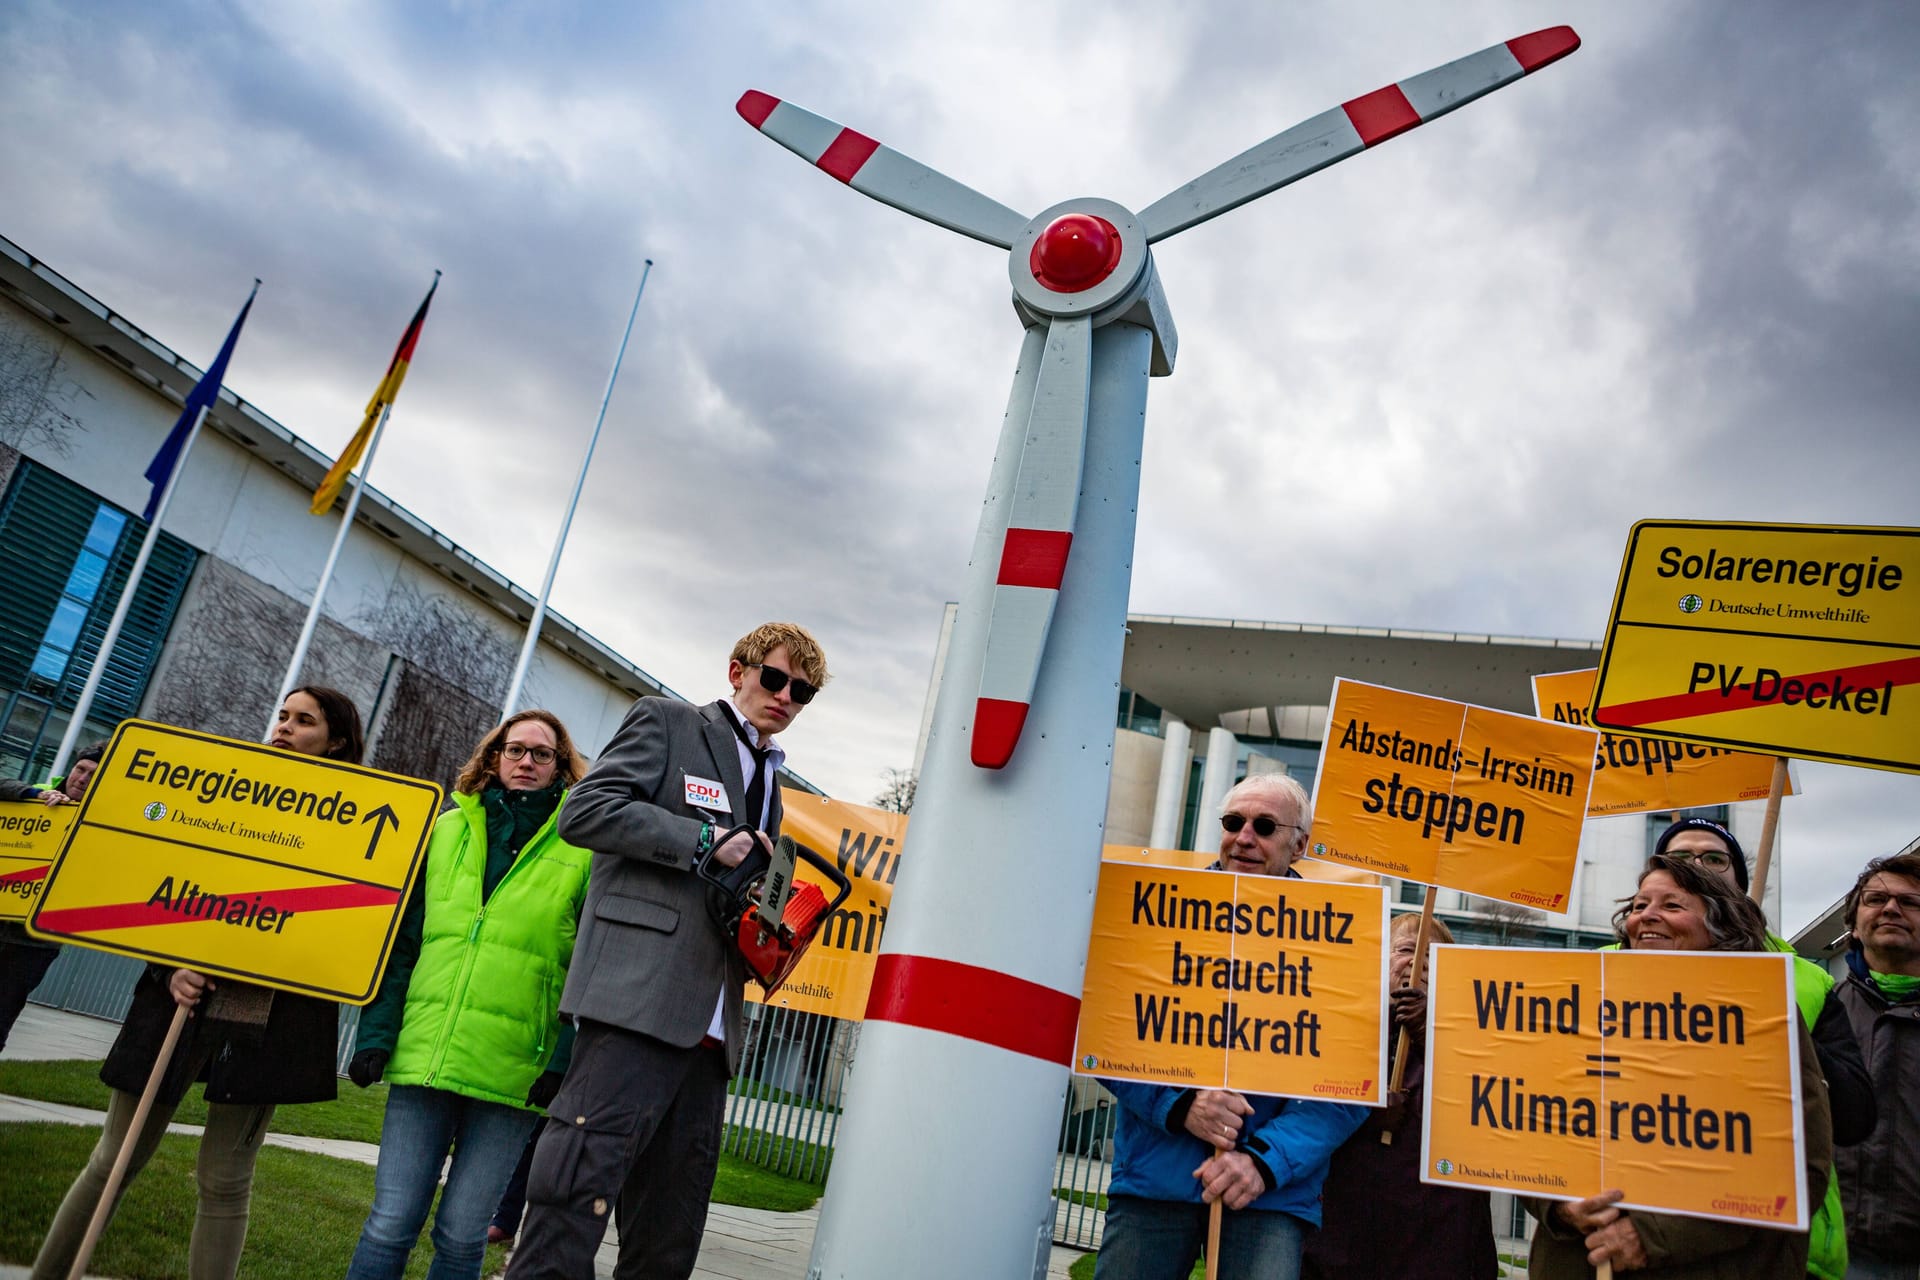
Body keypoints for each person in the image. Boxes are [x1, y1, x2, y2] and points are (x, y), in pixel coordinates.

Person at [505, 622, 830, 1280]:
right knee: (572, 1200)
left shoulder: (772, 780)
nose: (785, 696)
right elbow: (584, 811)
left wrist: (765, 930)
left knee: (667, 1239)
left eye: (803, 691)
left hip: (711, 1036)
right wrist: (705, 839)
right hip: (635, 1006)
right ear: (736, 670)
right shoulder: (669, 723)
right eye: (774, 677)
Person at [32, 688, 365, 1280]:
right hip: (173, 1001)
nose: (284, 727)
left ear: (336, 741)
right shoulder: (220, 793)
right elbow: (161, 883)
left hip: (273, 1017)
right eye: (281, 715)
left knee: (226, 1179)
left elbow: (343, 927)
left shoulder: (362, 827)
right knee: (114, 1159)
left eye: (304, 721)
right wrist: (172, 962)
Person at [344, 710, 593, 1280]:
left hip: (514, 1076)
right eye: (515, 749)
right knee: (389, 1222)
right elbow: (401, 945)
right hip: (424, 1059)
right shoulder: (445, 829)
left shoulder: (584, 850)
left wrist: (559, 1063)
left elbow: (587, 968)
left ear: (561, 767)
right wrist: (376, 1036)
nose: (526, 761)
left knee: (461, 1236)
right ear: (493, 757)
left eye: (542, 753)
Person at [1095, 774, 1369, 1280]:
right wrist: (1179, 1103)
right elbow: (1106, 1035)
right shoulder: (1157, 912)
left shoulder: (1341, 937)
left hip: (1267, 1193)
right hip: (1157, 1179)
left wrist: (1264, 1162)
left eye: (1264, 826)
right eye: (1232, 822)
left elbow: (1349, 1089)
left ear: (1300, 845)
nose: (1244, 836)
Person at [1526, 855, 1834, 1280]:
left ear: (1720, 925)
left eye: (1672, 906)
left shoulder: (1763, 1014)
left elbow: (1802, 1171)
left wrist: (1652, 1237)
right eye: (1638, 906)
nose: (1648, 916)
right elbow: (1523, 1131)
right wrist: (1559, 1208)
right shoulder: (1576, 1008)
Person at [1650, 816, 1875, 1280]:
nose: (1699, 866)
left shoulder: (1802, 979)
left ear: (1739, 877)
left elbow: (1852, 1118)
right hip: (1639, 1228)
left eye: (1714, 858)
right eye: (1680, 859)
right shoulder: (1601, 970)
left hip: (1773, 1244)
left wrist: (1765, 1018)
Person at [1305, 913, 1495, 1280]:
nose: (1416, 963)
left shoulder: (1476, 1037)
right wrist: (1363, 1111)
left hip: (1436, 1234)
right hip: (1346, 1228)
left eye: (1432, 959)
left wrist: (1430, 1033)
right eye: (1406, 950)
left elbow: (1482, 1115)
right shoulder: (1343, 1024)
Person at [1832, 849, 1920, 1280]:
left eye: (1911, 902)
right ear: (1853, 922)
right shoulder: (1817, 1011)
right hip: (1841, 1250)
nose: (1891, 908)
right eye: (1875, 899)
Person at [0, 743, 103, 1050]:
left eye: (92, 775)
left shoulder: (102, 820)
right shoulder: (41, 793)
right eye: (80, 769)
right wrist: (36, 796)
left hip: (33, 941)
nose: (82, 779)